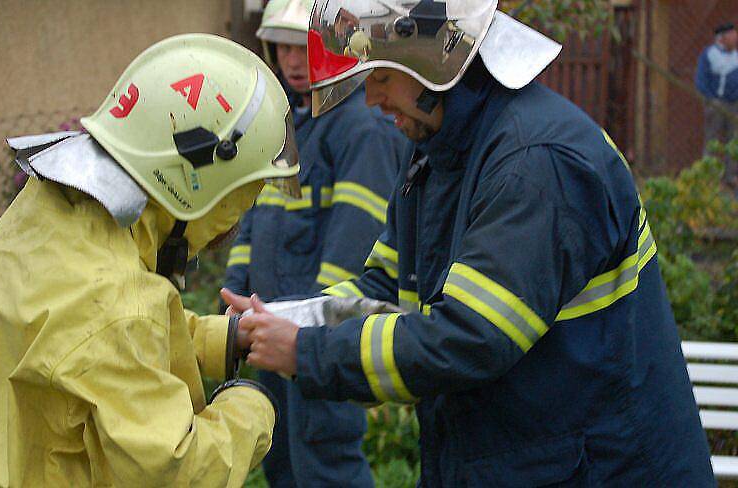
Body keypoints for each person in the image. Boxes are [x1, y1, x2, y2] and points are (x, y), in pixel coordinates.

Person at [224, 0, 717, 484]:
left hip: (599, 468)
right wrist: (275, 320)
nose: (371, 99)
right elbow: (385, 289)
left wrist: (308, 352)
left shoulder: (537, 162)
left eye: (381, 76)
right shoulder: (439, 153)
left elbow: (469, 338)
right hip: (516, 459)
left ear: (437, 60)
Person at [0, 34, 301, 487]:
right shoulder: (119, 304)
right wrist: (250, 406)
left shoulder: (46, 213)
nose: (238, 218)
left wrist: (219, 339)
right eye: (243, 196)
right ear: (200, 184)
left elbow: (81, 337)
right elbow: (175, 469)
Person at [222, 0, 407, 485]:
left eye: (305, 48)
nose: (293, 62)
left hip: (312, 339)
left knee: (325, 461)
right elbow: (255, 224)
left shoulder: (360, 130)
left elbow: (354, 247)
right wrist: (233, 293)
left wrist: (317, 336)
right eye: (282, 49)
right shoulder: (289, 127)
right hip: (268, 326)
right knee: (281, 459)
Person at [696, 22, 738, 189]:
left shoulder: (735, 57)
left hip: (733, 104)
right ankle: (709, 175)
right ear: (722, 38)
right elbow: (701, 80)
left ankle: (731, 175)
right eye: (732, 36)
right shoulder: (709, 55)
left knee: (733, 140)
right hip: (715, 103)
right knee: (712, 139)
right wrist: (710, 99)